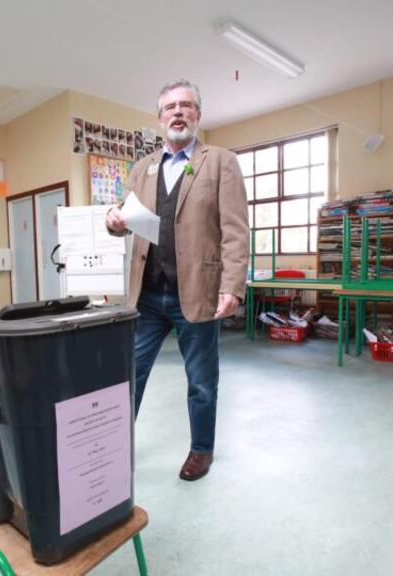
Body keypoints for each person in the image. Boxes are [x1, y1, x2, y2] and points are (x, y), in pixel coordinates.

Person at [106, 79, 249, 481]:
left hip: (197, 293)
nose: (178, 112)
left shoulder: (220, 161)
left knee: (201, 383)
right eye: (170, 107)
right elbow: (121, 215)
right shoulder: (142, 168)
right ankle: (114, 449)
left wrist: (232, 285)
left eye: (186, 105)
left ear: (198, 115)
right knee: (128, 376)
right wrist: (111, 220)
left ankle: (201, 450)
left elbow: (236, 230)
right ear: (159, 118)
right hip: (147, 296)